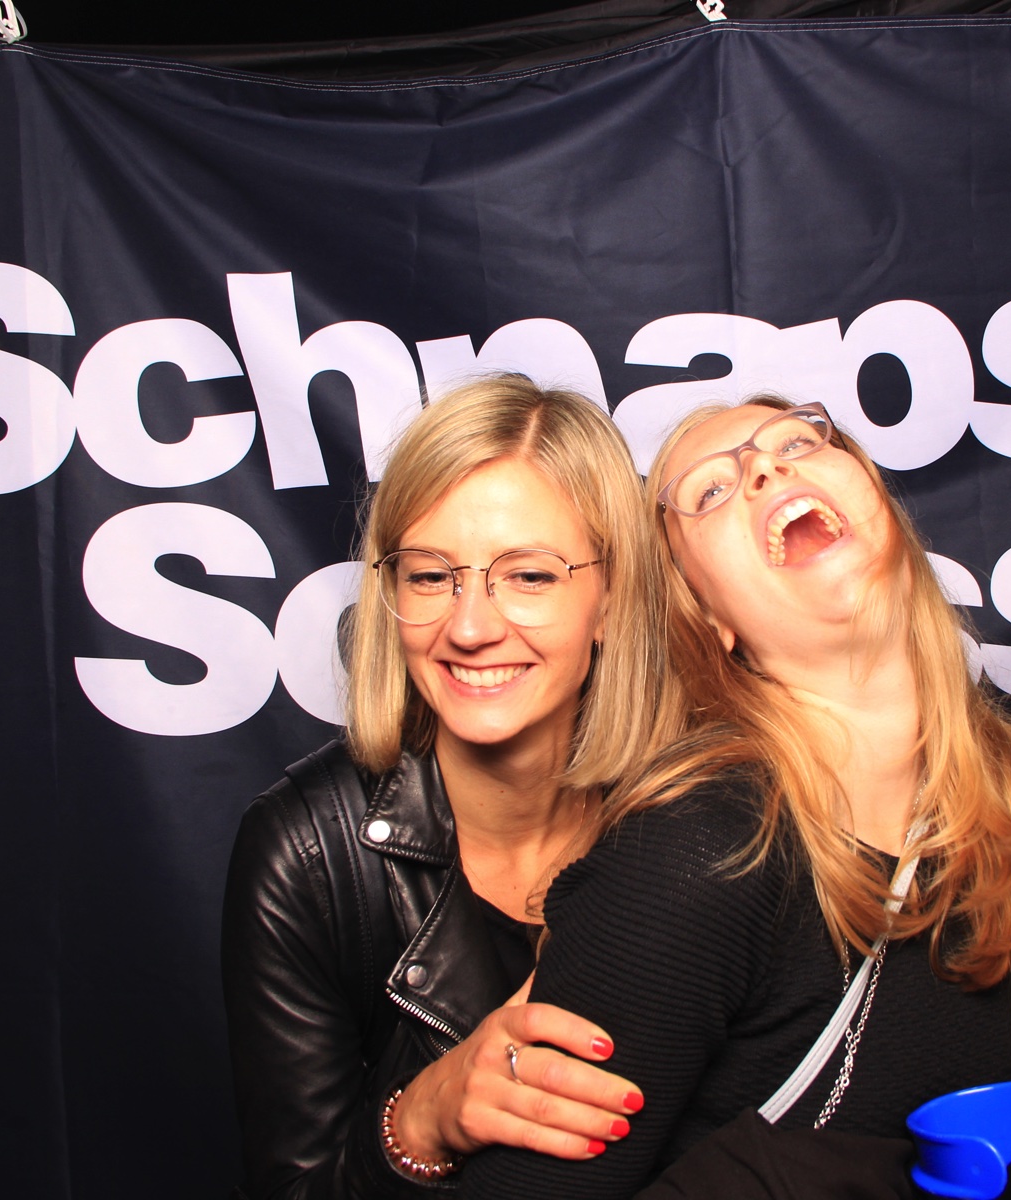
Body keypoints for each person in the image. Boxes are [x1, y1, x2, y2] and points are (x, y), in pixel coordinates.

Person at [463, 397, 1011, 1198]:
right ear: (705, 615)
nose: (766, 467)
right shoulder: (697, 853)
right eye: (708, 490)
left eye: (798, 442)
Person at [222, 375, 678, 1197]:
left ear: (612, 598)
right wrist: (421, 1120)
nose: (469, 628)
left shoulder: (691, 814)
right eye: (431, 577)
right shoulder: (309, 856)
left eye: (529, 576)